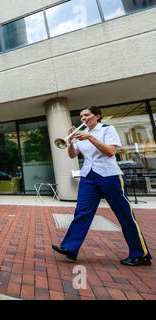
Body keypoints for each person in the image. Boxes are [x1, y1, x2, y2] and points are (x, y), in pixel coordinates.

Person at [52, 106, 151, 266]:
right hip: (88, 176)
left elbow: (111, 152)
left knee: (124, 214)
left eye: (87, 115)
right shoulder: (80, 134)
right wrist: (70, 142)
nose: (83, 118)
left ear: (97, 116)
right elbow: (72, 155)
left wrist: (90, 137)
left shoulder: (107, 129)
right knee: (82, 213)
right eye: (81, 116)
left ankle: (140, 254)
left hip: (109, 176)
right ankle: (70, 248)